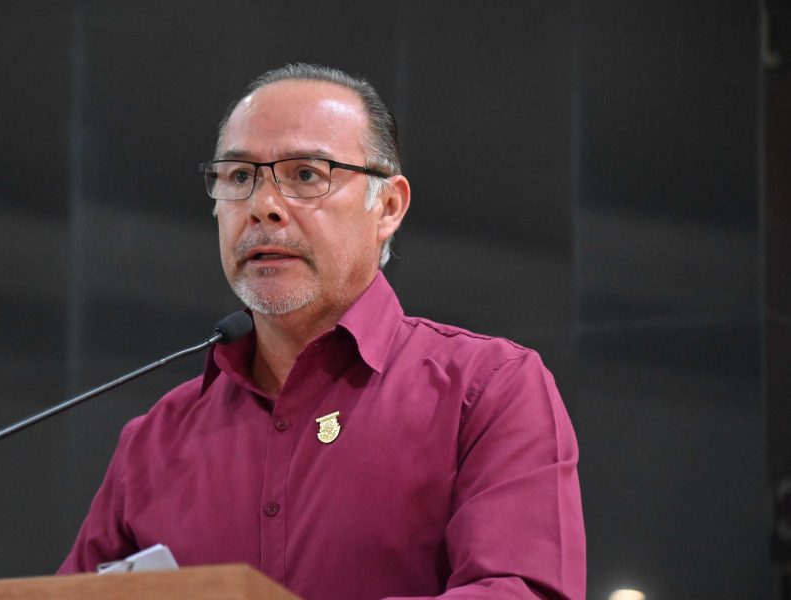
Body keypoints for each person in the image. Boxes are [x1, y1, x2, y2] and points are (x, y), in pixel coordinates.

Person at [58, 63, 585, 600]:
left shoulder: (488, 390)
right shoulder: (154, 442)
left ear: (388, 207)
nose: (263, 207)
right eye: (239, 178)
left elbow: (520, 592)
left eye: (306, 175)